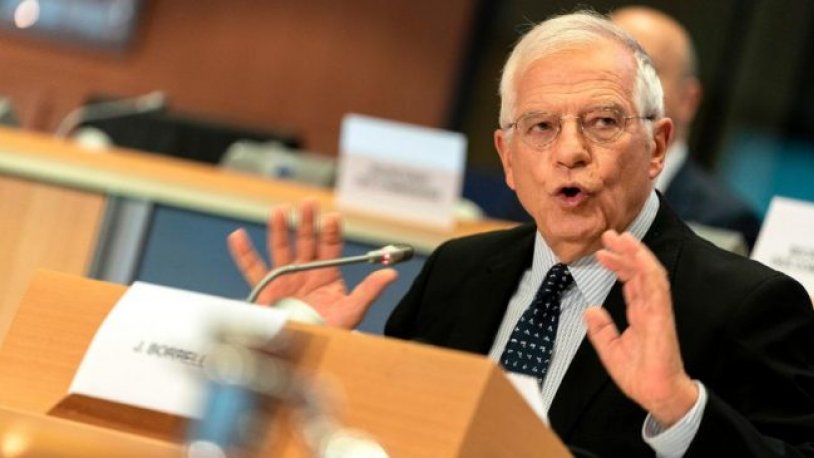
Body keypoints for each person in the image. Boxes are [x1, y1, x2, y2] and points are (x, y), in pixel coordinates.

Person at [228, 11, 814, 457]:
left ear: (657, 147)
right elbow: (393, 436)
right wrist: (322, 354)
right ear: (507, 158)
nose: (569, 152)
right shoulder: (455, 273)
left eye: (602, 122)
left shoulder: (748, 305)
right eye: (541, 127)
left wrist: (681, 410)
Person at [611, 6, 762, 249]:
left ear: (688, 100)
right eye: (610, 66)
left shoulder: (727, 221)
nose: (620, 83)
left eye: (646, 69)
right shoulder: (553, 192)